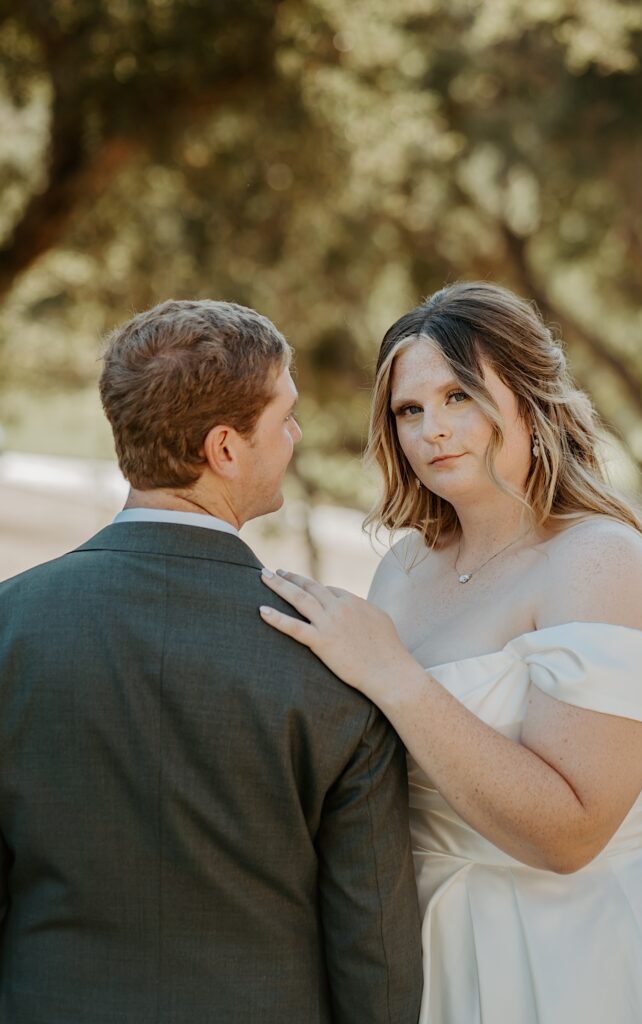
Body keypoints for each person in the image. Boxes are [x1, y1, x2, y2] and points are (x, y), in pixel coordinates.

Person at [260, 281, 642, 1024]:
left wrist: (394, 676)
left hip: (565, 958)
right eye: (409, 410)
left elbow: (570, 832)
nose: (433, 431)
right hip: (416, 949)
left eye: (459, 397)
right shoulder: (407, 566)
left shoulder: (600, 562)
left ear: (530, 395)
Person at [0, 299, 423, 1024]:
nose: (295, 436)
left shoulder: (11, 624)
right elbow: (376, 954)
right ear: (224, 449)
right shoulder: (336, 657)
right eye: (284, 417)